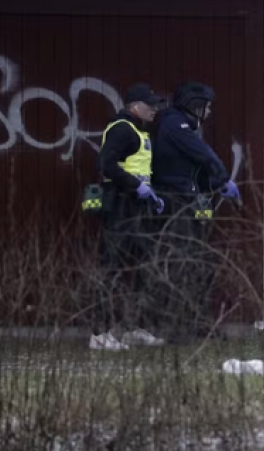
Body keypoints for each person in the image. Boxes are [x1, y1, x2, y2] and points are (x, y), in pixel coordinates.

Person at [150, 81, 240, 343]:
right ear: (195, 105)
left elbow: (192, 172)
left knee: (200, 264)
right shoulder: (174, 124)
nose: (209, 112)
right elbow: (203, 154)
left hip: (186, 200)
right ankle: (181, 328)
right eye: (207, 107)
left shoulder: (182, 127)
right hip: (175, 203)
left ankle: (199, 324)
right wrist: (223, 178)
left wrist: (215, 186)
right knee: (184, 265)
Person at [90, 83, 167, 350]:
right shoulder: (122, 129)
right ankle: (99, 334)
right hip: (121, 207)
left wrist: (151, 195)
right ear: (134, 106)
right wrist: (137, 187)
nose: (155, 109)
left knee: (141, 269)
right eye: (150, 104)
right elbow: (106, 164)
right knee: (112, 269)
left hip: (137, 208)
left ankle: (133, 327)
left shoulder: (138, 130)